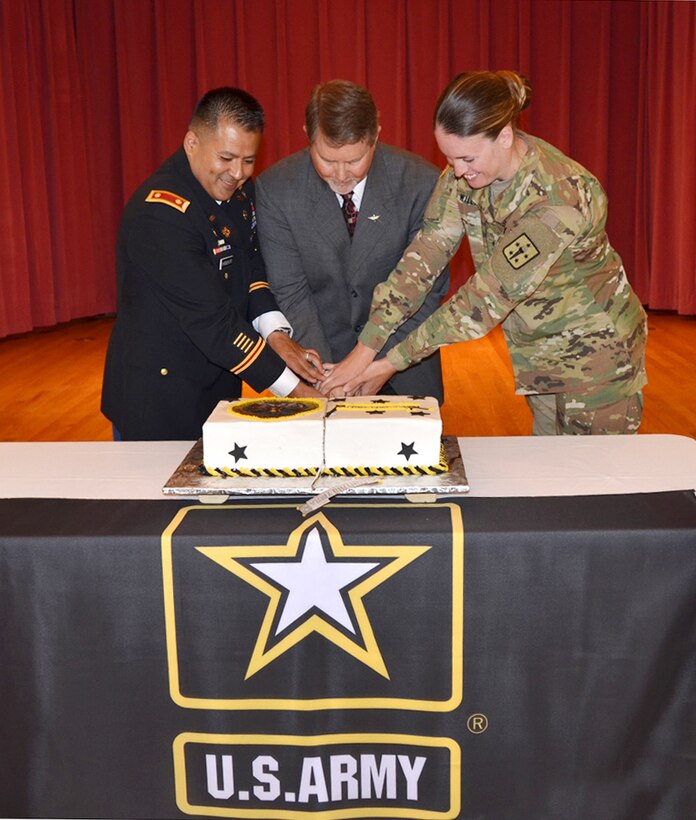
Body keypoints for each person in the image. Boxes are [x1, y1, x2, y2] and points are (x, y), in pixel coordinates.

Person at [320, 71, 648, 435]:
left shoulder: (556, 198)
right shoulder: (467, 174)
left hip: (597, 362)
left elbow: (483, 300)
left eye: (467, 158)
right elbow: (424, 258)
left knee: (596, 482)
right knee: (551, 474)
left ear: (505, 136)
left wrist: (389, 363)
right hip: (539, 357)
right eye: (449, 157)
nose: (457, 170)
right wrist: (367, 346)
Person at [101, 87, 323, 441]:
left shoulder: (236, 192)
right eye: (226, 158)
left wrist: (277, 336)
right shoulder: (160, 214)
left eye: (249, 160)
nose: (237, 173)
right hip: (160, 402)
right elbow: (214, 324)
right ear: (192, 143)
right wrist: (298, 392)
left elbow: (249, 267)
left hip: (217, 386)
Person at [254, 80, 449, 401]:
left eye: (355, 160)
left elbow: (427, 290)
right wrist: (326, 375)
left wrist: (373, 364)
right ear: (307, 134)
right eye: (327, 160)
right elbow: (290, 291)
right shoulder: (276, 190)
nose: (342, 174)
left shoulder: (420, 183)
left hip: (404, 363)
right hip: (320, 366)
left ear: (376, 136)